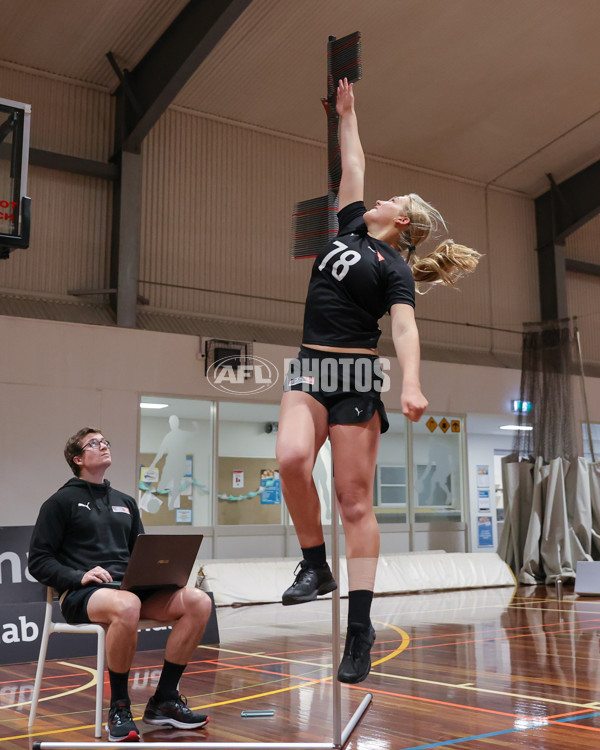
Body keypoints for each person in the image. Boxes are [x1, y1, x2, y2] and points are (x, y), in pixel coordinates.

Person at [276, 79, 480, 685]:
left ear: (404, 223)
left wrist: (411, 384)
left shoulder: (395, 271)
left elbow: (406, 332)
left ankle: (359, 629)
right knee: (289, 459)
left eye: (391, 199)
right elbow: (353, 162)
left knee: (355, 501)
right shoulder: (346, 229)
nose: (378, 198)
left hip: (357, 375)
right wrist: (348, 114)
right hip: (311, 365)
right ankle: (316, 562)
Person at [28, 427, 212, 742]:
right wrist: (78, 575)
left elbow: (141, 551)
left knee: (198, 601)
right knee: (128, 605)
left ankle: (164, 699)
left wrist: (160, 574)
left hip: (131, 589)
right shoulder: (60, 502)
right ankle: (120, 708)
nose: (103, 446)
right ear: (78, 458)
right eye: (94, 443)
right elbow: (39, 561)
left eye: (105, 442)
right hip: (84, 594)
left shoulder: (125, 501)